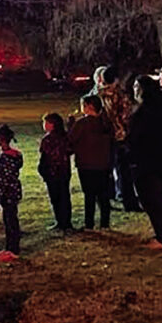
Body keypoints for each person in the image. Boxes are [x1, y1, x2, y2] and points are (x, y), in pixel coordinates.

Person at [129, 76, 162, 249]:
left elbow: (138, 137)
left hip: (147, 161)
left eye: (136, 86)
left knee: (152, 200)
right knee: (160, 198)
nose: (134, 90)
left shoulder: (144, 112)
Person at [93, 67, 140, 211]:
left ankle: (106, 201)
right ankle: (129, 202)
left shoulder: (96, 95)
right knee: (124, 172)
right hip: (120, 136)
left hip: (102, 138)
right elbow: (127, 116)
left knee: (104, 171)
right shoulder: (119, 95)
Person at [68, 95, 114, 231]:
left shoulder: (82, 124)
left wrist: (70, 124)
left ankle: (89, 224)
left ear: (89, 107)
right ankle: (105, 223)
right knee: (103, 195)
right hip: (103, 163)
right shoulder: (105, 123)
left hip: (86, 163)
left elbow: (71, 139)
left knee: (90, 195)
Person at [0, 125, 23, 261]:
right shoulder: (14, 155)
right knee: (9, 219)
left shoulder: (4, 158)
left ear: (1, 139)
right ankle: (9, 247)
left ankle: (13, 249)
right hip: (12, 191)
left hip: (7, 193)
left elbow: (1, 178)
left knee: (10, 221)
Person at [38, 113, 73, 232]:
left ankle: (60, 221)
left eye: (46, 122)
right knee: (64, 197)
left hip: (52, 172)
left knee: (56, 198)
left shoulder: (47, 140)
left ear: (52, 125)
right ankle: (66, 222)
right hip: (64, 171)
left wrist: (43, 170)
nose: (44, 125)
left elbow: (44, 156)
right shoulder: (65, 137)